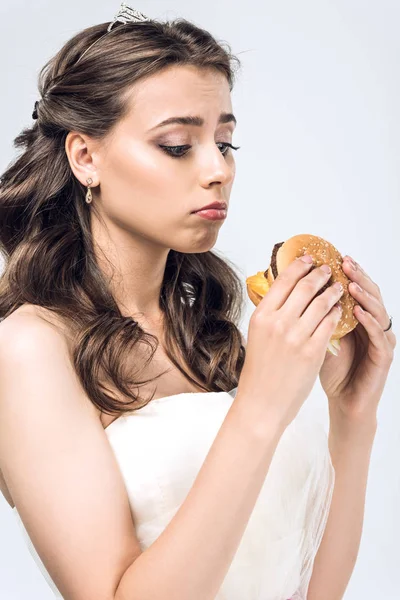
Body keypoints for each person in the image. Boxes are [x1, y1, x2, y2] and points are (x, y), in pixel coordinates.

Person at [0, 5, 336, 599]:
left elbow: (308, 588)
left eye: (226, 143)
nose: (218, 170)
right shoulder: (30, 347)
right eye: (179, 145)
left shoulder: (202, 329)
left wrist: (354, 416)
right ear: (86, 157)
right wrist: (258, 409)